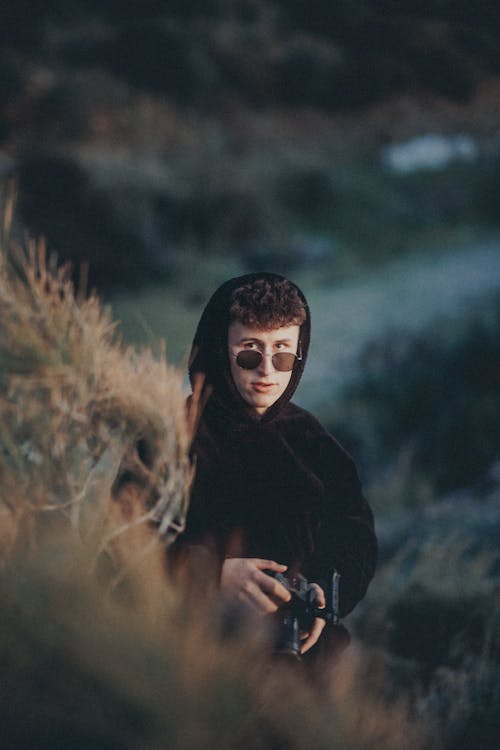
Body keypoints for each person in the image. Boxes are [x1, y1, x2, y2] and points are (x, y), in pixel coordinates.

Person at [170, 272, 377, 660]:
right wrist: (213, 573)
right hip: (195, 661)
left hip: (304, 662)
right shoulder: (170, 437)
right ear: (219, 349)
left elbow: (356, 539)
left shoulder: (315, 443)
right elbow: (121, 546)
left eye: (283, 353)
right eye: (250, 351)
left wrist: (324, 593)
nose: (267, 370)